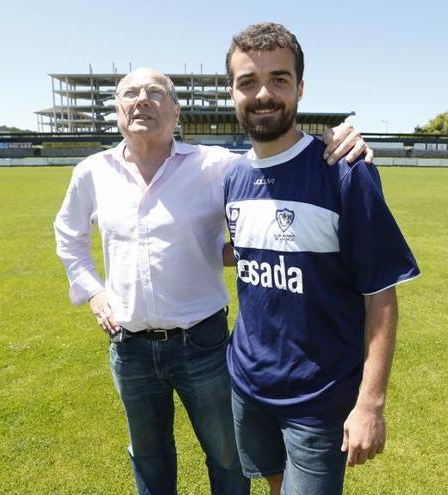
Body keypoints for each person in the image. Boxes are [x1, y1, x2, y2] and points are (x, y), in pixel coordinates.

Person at [53, 67, 370, 495]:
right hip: (128, 349)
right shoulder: (92, 172)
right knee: (148, 455)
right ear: (117, 108)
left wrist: (335, 141)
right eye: (130, 93)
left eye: (154, 93)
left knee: (226, 457)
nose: (142, 100)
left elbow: (275, 167)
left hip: (201, 345)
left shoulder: (213, 166)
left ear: (176, 111)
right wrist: (93, 292)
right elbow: (69, 236)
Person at [222, 23, 420, 495]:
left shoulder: (344, 171)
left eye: (279, 79)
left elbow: (380, 296)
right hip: (247, 386)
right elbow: (244, 253)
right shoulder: (231, 177)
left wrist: (370, 403)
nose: (263, 93)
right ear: (232, 92)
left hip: (318, 397)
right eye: (248, 81)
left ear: (300, 88)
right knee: (272, 483)